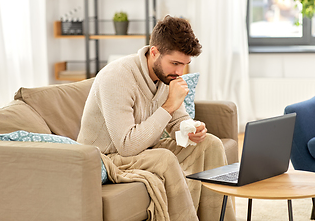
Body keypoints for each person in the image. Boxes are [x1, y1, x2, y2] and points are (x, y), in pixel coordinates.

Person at [77, 15, 236, 221]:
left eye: (185, 64)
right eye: (175, 63)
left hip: (143, 149)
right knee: (164, 158)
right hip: (106, 157)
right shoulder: (116, 77)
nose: (179, 72)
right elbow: (126, 145)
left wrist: (192, 129)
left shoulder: (165, 75)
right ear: (154, 52)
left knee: (211, 144)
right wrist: (169, 105)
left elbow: (177, 122)